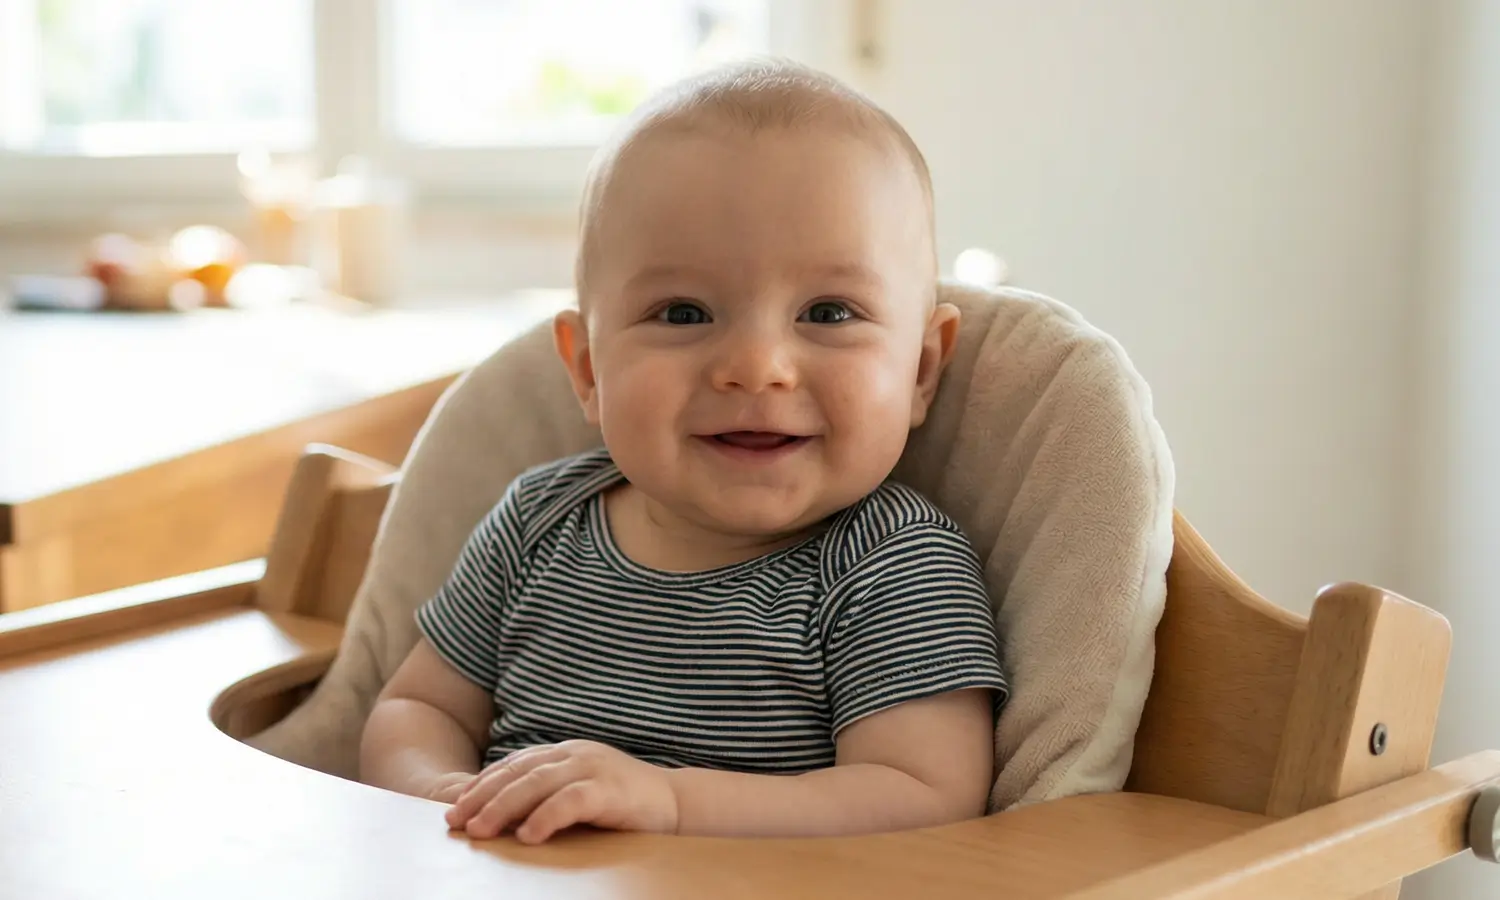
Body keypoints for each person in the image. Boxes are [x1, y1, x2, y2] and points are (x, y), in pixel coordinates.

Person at [359, 57, 1009, 845]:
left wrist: (668, 802)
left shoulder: (890, 565)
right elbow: (418, 707)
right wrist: (440, 794)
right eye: (683, 313)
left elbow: (924, 794)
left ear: (922, 370)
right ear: (588, 370)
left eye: (829, 312)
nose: (757, 367)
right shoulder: (538, 523)